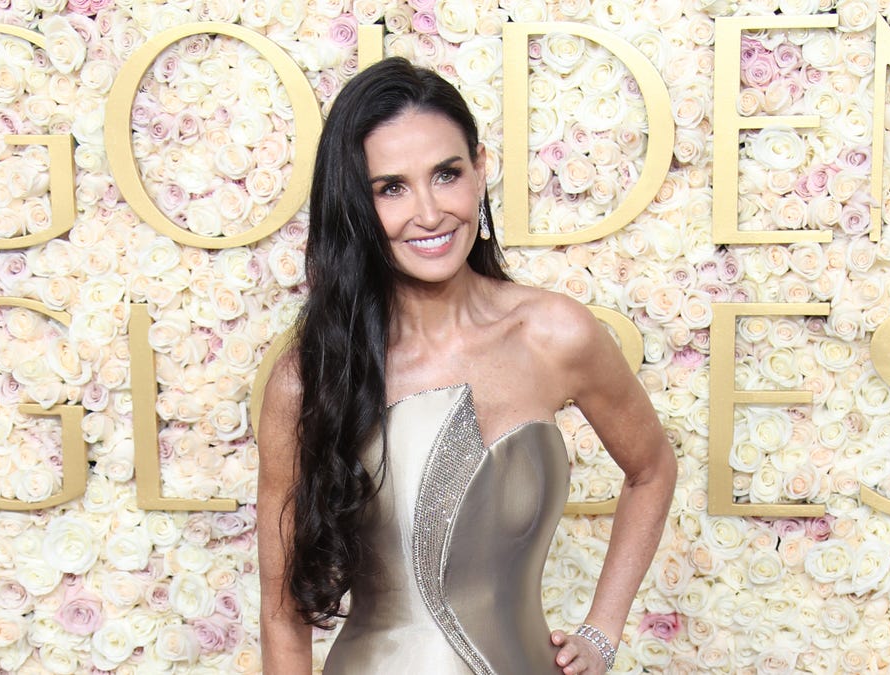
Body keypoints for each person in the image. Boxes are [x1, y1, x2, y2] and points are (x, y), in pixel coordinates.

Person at [257, 57, 676, 675]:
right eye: (391, 188)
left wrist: (602, 633)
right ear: (355, 205)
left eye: (446, 174)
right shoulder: (312, 376)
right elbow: (282, 613)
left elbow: (651, 469)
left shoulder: (555, 333)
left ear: (480, 169)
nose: (428, 213)